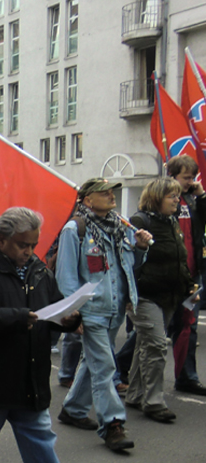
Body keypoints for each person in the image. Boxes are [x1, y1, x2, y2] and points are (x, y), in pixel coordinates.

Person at [0, 207, 81, 463]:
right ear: (1, 240)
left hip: (30, 384)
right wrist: (17, 318)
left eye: (33, 245)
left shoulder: (40, 272)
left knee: (42, 446)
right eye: (22, 245)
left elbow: (53, 309)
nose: (29, 251)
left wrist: (68, 320)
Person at [55, 178, 151, 452]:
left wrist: (141, 248)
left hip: (115, 310)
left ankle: (73, 409)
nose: (112, 196)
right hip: (92, 311)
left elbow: (128, 267)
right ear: (87, 200)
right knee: (106, 367)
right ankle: (113, 425)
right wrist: (76, 312)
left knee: (94, 361)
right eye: (104, 193)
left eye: (113, 192)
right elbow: (66, 276)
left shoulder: (118, 227)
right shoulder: (76, 229)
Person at [126, 177, 195, 422]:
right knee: (156, 345)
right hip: (144, 295)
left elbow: (179, 256)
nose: (177, 200)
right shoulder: (140, 221)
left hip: (169, 295)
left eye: (177, 195)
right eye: (171, 196)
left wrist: (188, 285)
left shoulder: (172, 221)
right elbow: (130, 259)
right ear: (156, 198)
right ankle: (154, 402)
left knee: (146, 344)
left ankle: (134, 394)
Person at [166, 155, 206, 396]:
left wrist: (201, 195)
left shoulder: (193, 199)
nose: (190, 182)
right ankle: (123, 368)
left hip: (192, 277)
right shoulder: (161, 200)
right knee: (157, 328)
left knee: (188, 328)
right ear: (172, 177)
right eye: (186, 178)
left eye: (193, 178)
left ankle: (186, 377)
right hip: (169, 277)